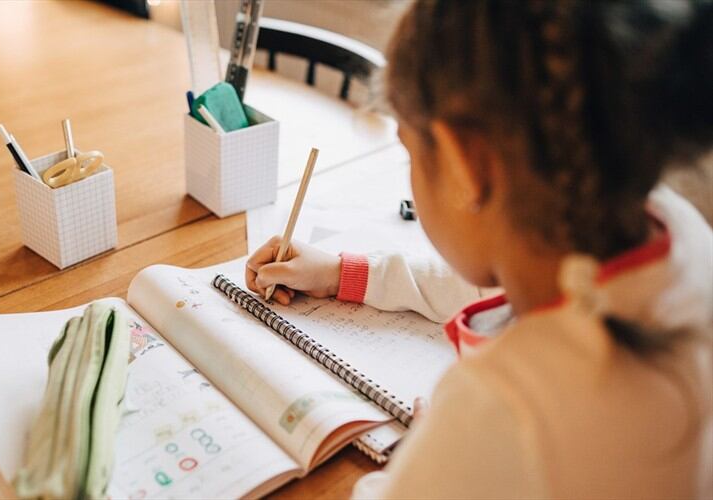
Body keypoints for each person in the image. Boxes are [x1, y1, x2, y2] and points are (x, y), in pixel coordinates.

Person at [245, 0, 713, 497]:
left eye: (408, 151)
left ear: (463, 165)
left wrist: (428, 452)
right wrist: (345, 273)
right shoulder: (678, 231)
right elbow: (494, 289)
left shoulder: (498, 409)